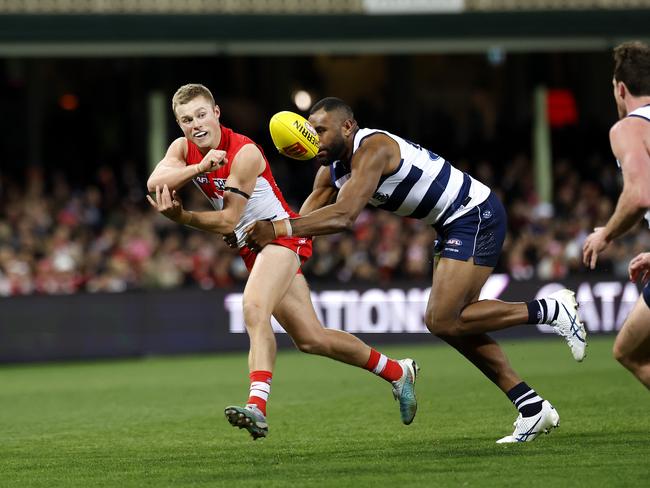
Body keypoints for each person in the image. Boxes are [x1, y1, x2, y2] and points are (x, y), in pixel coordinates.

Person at [245, 97, 588, 443]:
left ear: (347, 127)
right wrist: (281, 256)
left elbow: (344, 215)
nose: (312, 137)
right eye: (309, 130)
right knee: (453, 325)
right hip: (450, 225)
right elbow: (303, 224)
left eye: (320, 129)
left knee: (442, 319)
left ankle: (549, 309)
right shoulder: (331, 169)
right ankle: (531, 407)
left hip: (474, 214)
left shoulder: (372, 148)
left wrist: (275, 230)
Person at [146, 84, 419, 440]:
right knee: (312, 339)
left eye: (201, 114)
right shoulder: (184, 149)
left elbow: (229, 221)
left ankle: (257, 407)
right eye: (186, 119)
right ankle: (398, 372)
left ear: (216, 114)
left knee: (254, 307)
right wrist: (197, 166)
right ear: (179, 125)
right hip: (252, 245)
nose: (195, 124)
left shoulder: (243, 153)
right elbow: (155, 181)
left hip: (280, 235)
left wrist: (183, 218)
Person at [583, 41, 650, 389]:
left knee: (630, 352)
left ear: (621, 89)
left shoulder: (629, 128)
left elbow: (639, 195)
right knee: (628, 349)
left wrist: (605, 234)